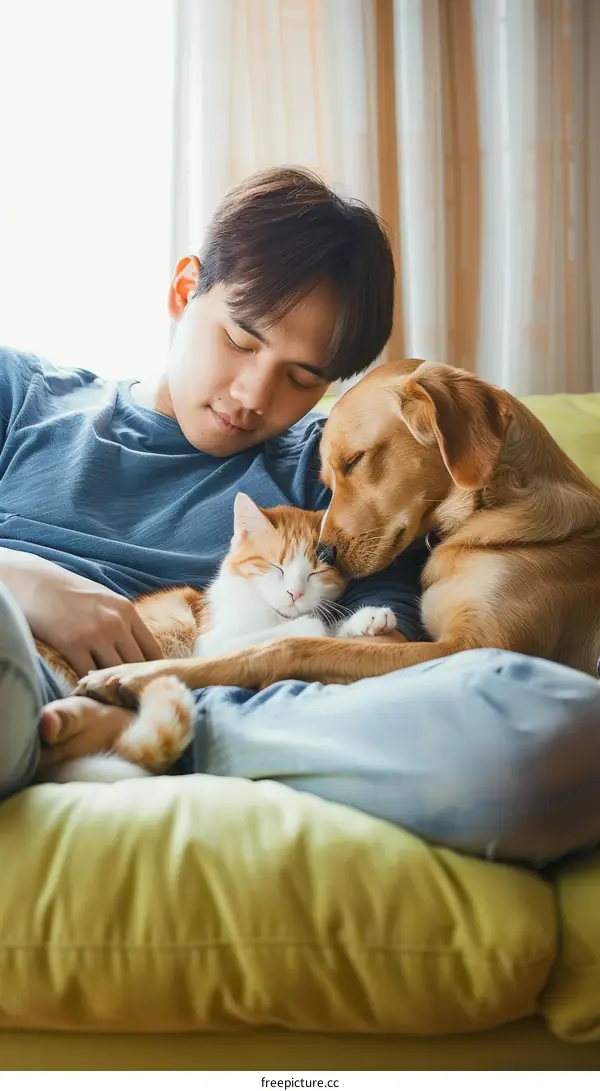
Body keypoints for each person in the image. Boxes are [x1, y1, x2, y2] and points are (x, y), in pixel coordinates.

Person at [2, 165, 600, 868]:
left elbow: (389, 661)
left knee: (562, 739)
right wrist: (27, 578)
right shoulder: (22, 395)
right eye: (242, 339)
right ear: (184, 288)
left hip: (236, 704)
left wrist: (169, 704)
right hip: (23, 658)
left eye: (302, 377)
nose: (253, 392)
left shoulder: (341, 468)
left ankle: (160, 730)